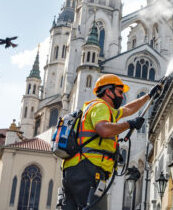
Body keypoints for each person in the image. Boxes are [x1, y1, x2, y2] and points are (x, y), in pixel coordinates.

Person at [60, 74, 162, 210]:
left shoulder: (97, 109)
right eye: (119, 92)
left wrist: (149, 96)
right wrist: (129, 124)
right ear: (108, 91)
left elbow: (128, 109)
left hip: (74, 170)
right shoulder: (100, 106)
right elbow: (103, 130)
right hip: (88, 169)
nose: (121, 97)